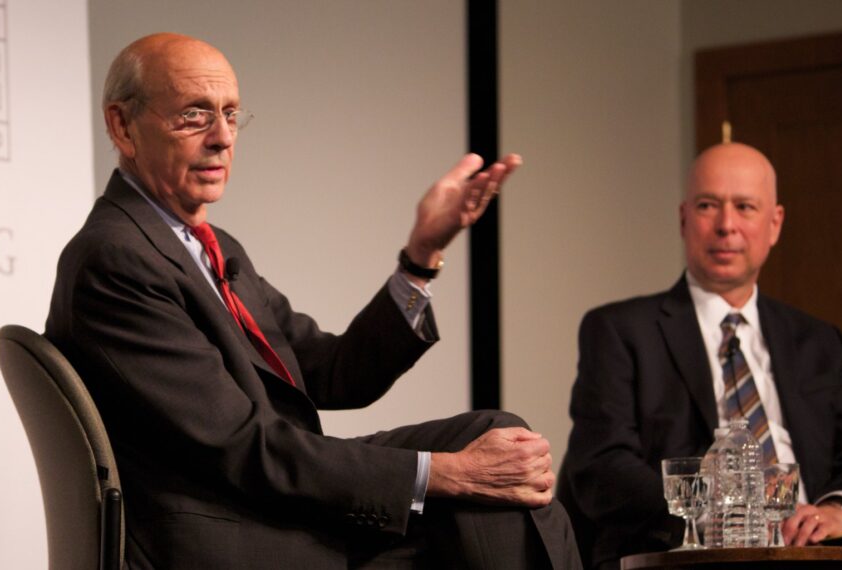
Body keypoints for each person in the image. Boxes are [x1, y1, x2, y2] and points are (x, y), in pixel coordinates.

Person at [44, 33, 580, 569]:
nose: (222, 138)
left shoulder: (209, 248)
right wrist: (445, 474)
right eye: (193, 115)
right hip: (231, 536)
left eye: (231, 114)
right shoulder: (115, 258)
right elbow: (239, 445)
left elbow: (335, 373)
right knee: (487, 489)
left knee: (497, 440)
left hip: (270, 507)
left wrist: (421, 254)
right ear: (122, 126)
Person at [559, 142, 842, 569]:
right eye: (707, 205)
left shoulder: (820, 342)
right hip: (682, 559)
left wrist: (837, 509)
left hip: (817, 557)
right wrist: (712, 517)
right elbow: (600, 467)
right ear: (684, 219)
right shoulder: (620, 331)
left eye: (745, 207)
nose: (726, 225)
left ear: (774, 224)